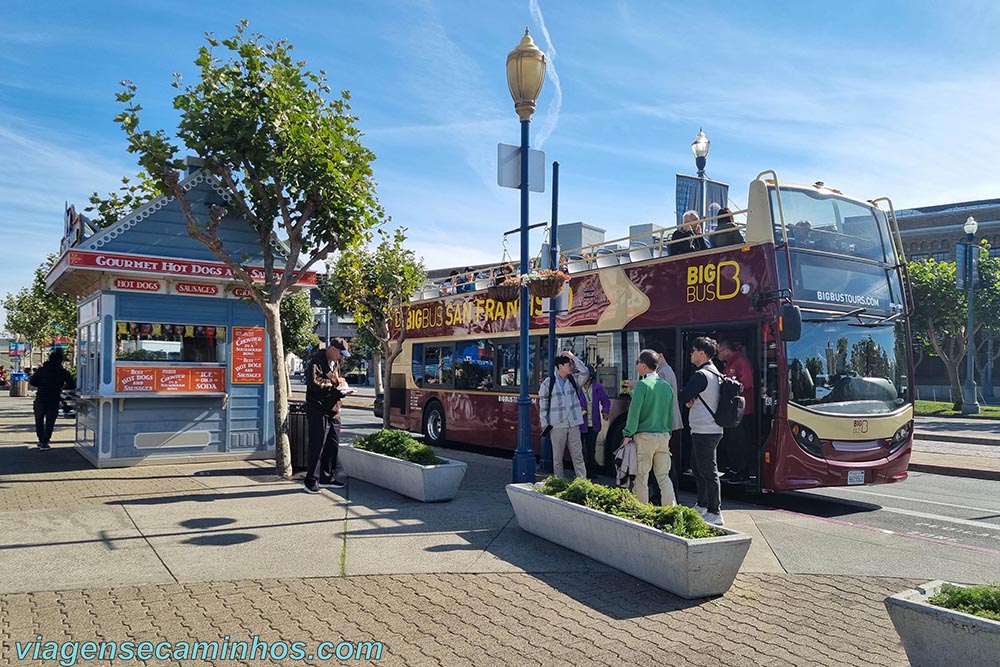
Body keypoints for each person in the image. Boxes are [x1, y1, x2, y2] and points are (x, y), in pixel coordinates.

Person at [678, 337, 725, 525]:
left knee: (708, 470)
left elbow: (682, 395)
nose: (691, 353)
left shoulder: (701, 375)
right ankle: (703, 504)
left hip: (705, 429)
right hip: (710, 428)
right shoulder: (715, 373)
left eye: (693, 350)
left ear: (702, 354)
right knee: (697, 467)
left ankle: (715, 511)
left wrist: (689, 399)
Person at [621, 349, 675, 506]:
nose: (637, 365)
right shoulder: (666, 387)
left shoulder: (642, 386)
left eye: (638, 362)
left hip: (644, 437)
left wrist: (627, 434)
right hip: (664, 436)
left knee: (641, 476)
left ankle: (642, 511)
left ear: (643, 366)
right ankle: (671, 510)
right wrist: (668, 432)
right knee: (663, 477)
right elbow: (669, 415)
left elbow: (634, 414)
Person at [303, 338, 354, 494]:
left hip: (333, 408)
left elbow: (334, 383)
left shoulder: (335, 363)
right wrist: (335, 384)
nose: (341, 357)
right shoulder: (316, 361)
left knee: (332, 445)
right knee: (317, 446)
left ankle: (327, 477)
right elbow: (314, 383)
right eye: (339, 353)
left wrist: (342, 388)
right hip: (318, 409)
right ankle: (311, 480)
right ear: (332, 349)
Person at [539, 350, 589, 480]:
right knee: (557, 457)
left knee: (578, 455)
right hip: (557, 424)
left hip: (573, 423)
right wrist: (544, 422)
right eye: (569, 364)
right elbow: (543, 405)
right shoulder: (548, 383)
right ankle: (559, 481)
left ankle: (582, 482)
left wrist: (573, 357)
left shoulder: (574, 380)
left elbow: (585, 372)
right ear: (560, 366)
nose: (571, 367)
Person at [644, 340, 684, 500]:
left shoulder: (662, 373)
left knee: (664, 463)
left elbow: (658, 399)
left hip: (665, 424)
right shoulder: (667, 371)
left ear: (660, 356)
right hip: (669, 422)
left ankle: (665, 495)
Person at [718, 340, 755, 481]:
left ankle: (742, 471)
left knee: (740, 442)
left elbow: (747, 383)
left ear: (727, 350)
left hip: (742, 411)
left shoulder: (741, 362)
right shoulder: (728, 364)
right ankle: (733, 469)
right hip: (731, 411)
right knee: (731, 442)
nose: (718, 355)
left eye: (719, 351)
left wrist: (728, 385)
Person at [28, 350, 76, 450]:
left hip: (41, 396)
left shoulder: (42, 370)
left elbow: (32, 381)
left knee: (39, 419)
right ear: (61, 361)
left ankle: (41, 440)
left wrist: (41, 385)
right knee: (50, 420)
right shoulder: (63, 372)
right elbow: (72, 385)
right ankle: (45, 441)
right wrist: (61, 386)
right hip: (54, 397)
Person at [579, 365, 611, 479]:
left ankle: (590, 471)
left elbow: (605, 400)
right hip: (580, 424)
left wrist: (605, 411)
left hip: (593, 423)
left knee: (591, 448)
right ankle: (580, 472)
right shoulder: (577, 388)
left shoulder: (598, 388)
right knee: (579, 449)